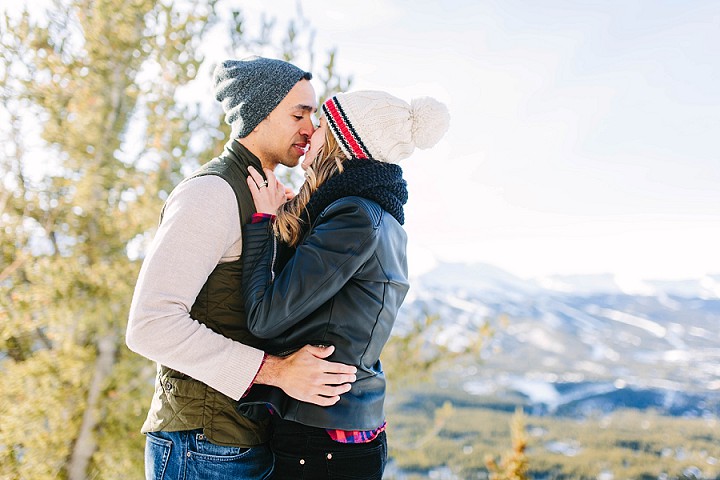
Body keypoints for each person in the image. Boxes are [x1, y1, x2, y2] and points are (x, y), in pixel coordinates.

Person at [125, 56, 357, 480]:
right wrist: (277, 371)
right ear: (258, 112)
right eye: (298, 113)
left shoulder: (265, 198)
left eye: (314, 115)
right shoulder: (211, 193)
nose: (311, 127)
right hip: (202, 445)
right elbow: (150, 325)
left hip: (243, 438)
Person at [239, 90, 450, 478]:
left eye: (320, 126)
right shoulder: (379, 214)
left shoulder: (352, 216)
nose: (309, 133)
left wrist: (260, 226)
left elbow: (264, 318)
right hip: (339, 430)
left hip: (320, 440)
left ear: (342, 141)